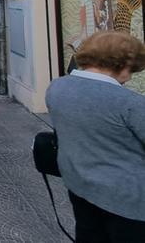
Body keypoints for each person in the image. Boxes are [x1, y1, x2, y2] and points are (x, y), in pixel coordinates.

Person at [45, 31, 145, 241]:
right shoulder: (129, 103)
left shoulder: (57, 87)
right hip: (130, 200)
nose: (130, 76)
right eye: (132, 68)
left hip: (79, 184)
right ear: (122, 63)